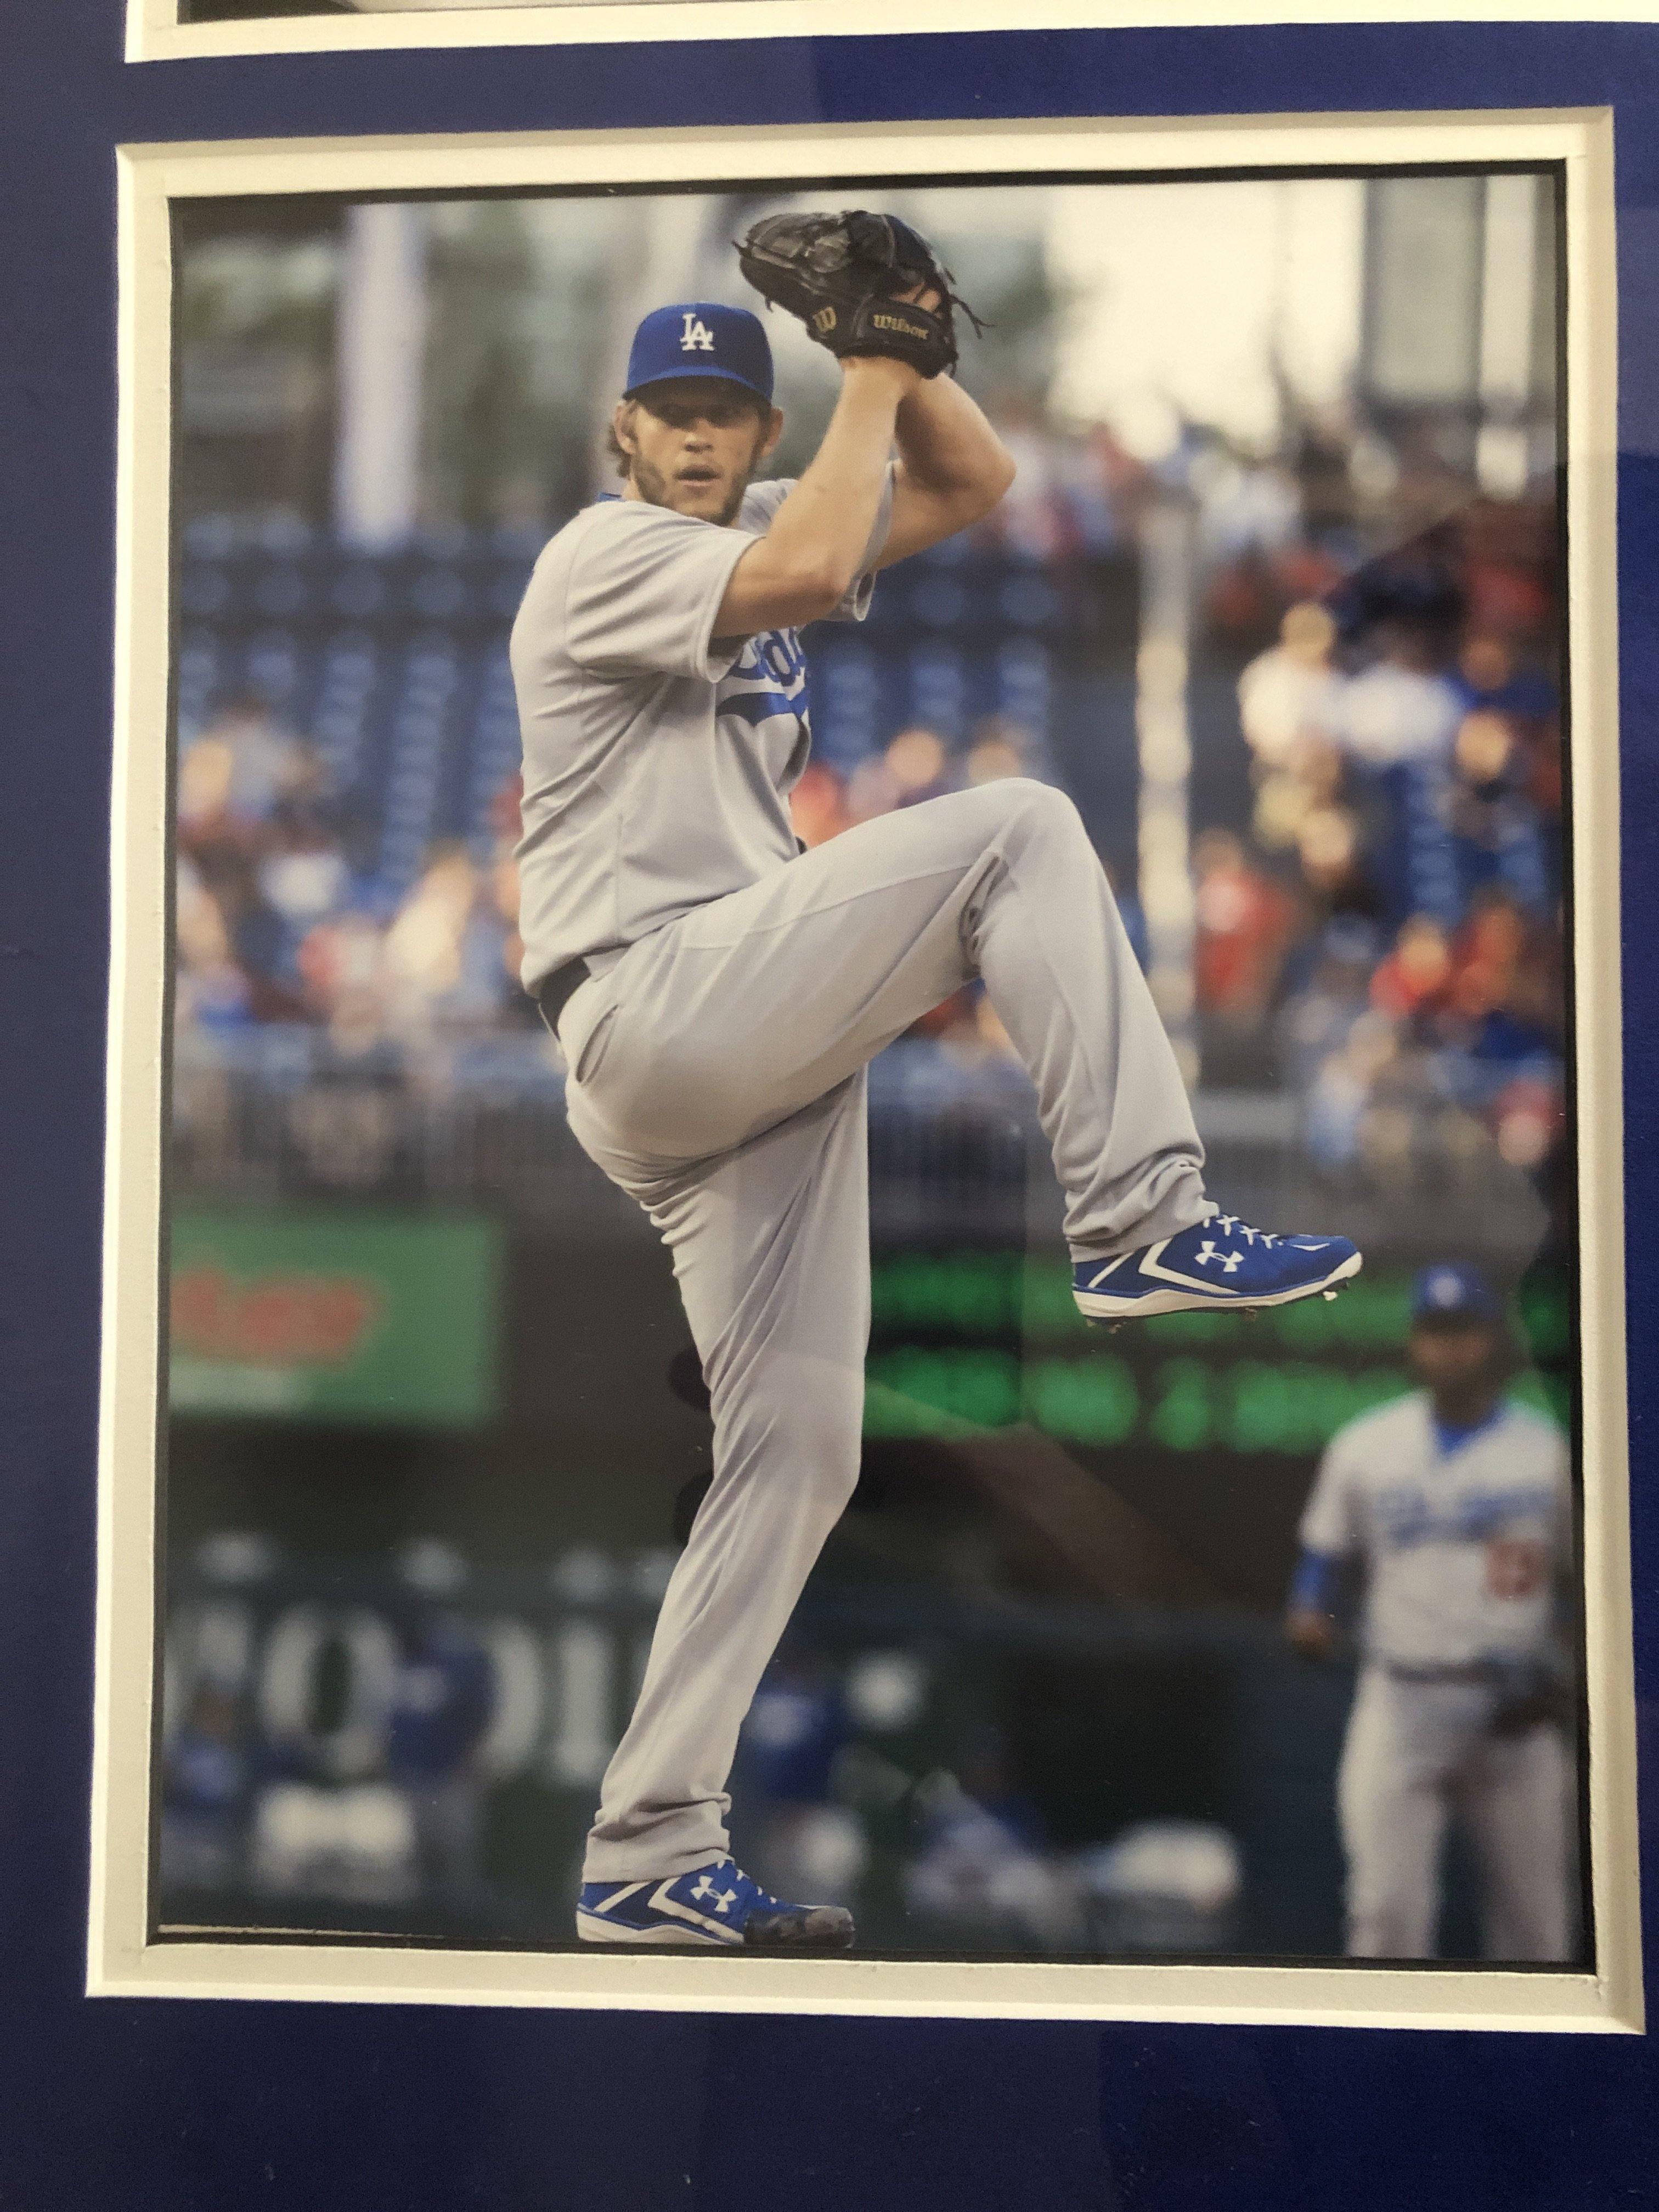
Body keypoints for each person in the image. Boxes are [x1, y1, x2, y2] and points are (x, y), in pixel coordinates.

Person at [510, 273, 1359, 1951]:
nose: (693, 434)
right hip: (658, 996)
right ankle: (1140, 1222)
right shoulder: (602, 553)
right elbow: (821, 566)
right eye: (670, 413)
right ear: (626, 430)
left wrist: (904, 343)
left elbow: (976, 492)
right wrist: (869, 364)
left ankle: (645, 1851)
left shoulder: (757, 514)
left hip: (744, 1036)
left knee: (801, 1449)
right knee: (1019, 830)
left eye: (723, 414)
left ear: (754, 432)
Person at [1285, 1263, 1575, 1961]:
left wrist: (1567, 1668)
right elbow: (1321, 1563)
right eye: (1435, 1333)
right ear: (1415, 1343)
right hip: (1403, 1697)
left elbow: (1586, 1580)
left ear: (1492, 1341)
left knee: (1539, 1931)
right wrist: (1309, 1616)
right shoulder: (1368, 1445)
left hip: (1515, 1708)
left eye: (1463, 1333)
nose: (1449, 1349)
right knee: (1385, 1918)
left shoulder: (1549, 1452)